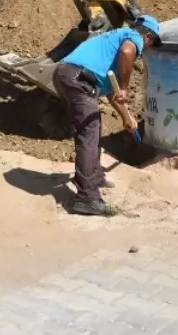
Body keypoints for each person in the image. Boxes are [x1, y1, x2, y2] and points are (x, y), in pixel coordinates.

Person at [52, 14, 161, 217]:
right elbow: (128, 52)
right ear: (148, 36)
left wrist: (125, 117)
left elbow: (112, 93)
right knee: (89, 134)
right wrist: (126, 89)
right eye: (152, 42)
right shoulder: (133, 36)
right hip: (78, 77)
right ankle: (87, 198)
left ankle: (93, 178)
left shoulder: (114, 42)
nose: (147, 47)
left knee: (93, 126)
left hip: (68, 75)